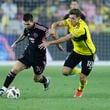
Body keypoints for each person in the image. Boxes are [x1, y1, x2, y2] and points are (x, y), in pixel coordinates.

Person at [0, 13, 63, 96]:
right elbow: (24, 34)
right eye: (25, 24)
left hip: (39, 58)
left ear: (32, 21)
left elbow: (53, 33)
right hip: (28, 54)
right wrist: (16, 42)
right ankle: (3, 89)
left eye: (28, 24)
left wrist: (58, 45)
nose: (26, 26)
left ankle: (46, 81)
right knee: (14, 70)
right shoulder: (27, 28)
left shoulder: (41, 29)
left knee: (36, 79)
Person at [39, 9, 96, 98]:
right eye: (70, 18)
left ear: (78, 18)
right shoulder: (69, 21)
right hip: (77, 52)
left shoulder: (81, 28)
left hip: (88, 54)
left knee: (82, 79)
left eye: (73, 19)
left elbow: (66, 38)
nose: (71, 20)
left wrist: (50, 43)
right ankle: (80, 71)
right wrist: (53, 29)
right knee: (65, 72)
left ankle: (80, 89)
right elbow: (55, 24)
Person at [64, 0, 87, 75]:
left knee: (79, 52)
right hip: (70, 36)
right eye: (72, 4)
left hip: (79, 37)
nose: (74, 6)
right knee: (71, 52)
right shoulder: (67, 15)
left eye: (75, 4)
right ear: (70, 6)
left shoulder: (81, 15)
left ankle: (79, 68)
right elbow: (65, 25)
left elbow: (85, 25)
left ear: (78, 6)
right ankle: (74, 68)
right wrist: (65, 35)